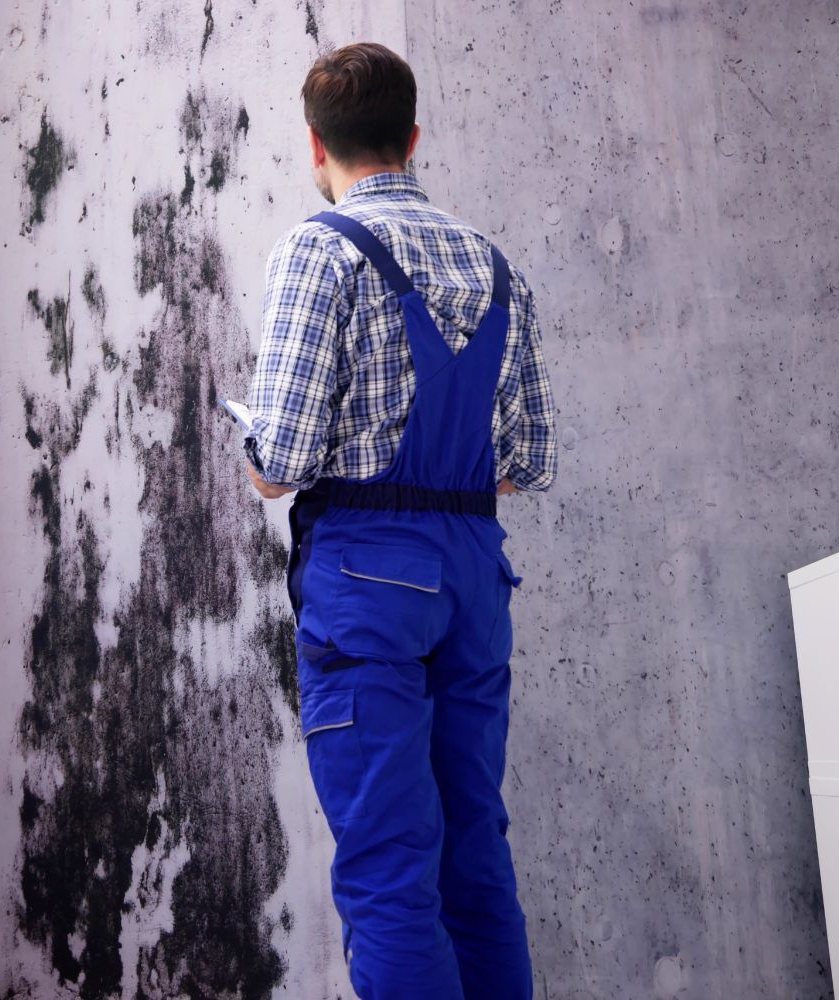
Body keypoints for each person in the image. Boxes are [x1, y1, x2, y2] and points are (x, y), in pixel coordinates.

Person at [242, 43, 559, 1000]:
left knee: (388, 868)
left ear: (314, 145)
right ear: (413, 137)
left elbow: (280, 465)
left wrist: (257, 440)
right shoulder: (494, 264)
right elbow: (528, 463)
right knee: (475, 854)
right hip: (472, 581)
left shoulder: (319, 247)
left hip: (370, 580)